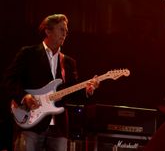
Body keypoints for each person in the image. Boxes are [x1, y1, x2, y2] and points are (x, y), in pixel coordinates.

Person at [2, 14, 100, 151]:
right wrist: (24, 97)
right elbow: (9, 80)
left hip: (59, 127)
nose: (65, 33)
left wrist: (87, 90)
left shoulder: (68, 62)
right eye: (61, 29)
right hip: (31, 123)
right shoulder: (28, 54)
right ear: (48, 31)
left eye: (66, 31)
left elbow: (71, 94)